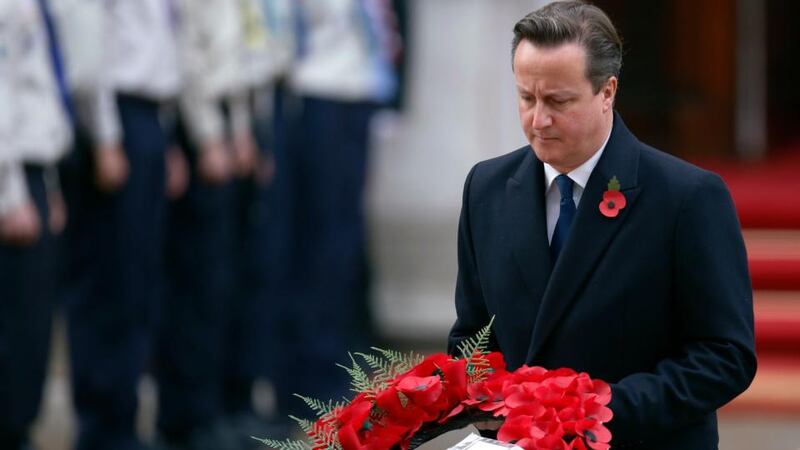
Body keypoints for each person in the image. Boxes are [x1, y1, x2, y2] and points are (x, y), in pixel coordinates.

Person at [446, 2, 756, 449]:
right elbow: (471, 336)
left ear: (607, 91)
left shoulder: (687, 197)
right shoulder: (486, 188)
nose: (538, 120)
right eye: (526, 98)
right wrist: (496, 411)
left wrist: (593, 411)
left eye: (558, 100)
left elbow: (725, 357)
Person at [56, 1, 180, 448]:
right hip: (113, 118)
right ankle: (102, 425)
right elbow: (88, 51)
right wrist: (106, 135)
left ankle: (122, 421)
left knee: (139, 283)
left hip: (146, 114)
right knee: (109, 284)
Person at [0, 0, 72, 448]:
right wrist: (9, 194)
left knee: (33, 328)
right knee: (13, 331)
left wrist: (49, 182)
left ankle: (19, 430)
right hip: (11, 178)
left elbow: (38, 84)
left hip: (34, 170)